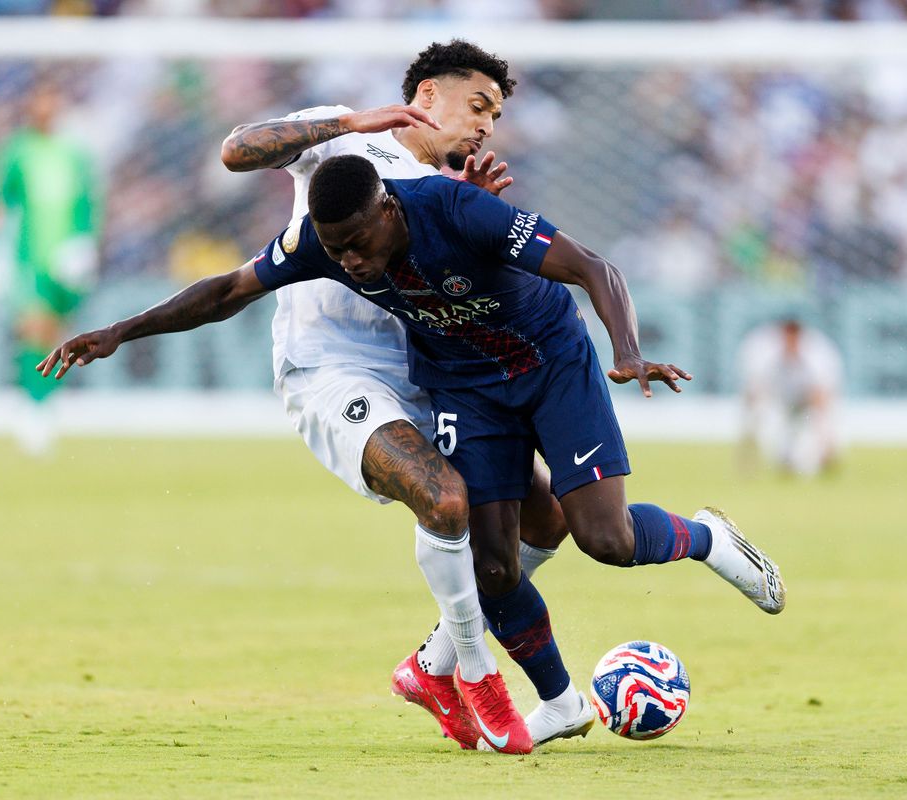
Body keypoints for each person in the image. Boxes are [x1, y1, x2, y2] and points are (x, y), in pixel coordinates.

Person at [39, 155, 787, 750]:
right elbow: (227, 290)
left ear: (390, 210)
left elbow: (598, 268)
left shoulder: (458, 210)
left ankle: (708, 537)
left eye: (361, 243)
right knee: (493, 567)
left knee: (603, 539)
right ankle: (559, 703)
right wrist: (119, 332)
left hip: (552, 363)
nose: (353, 262)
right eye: (338, 251)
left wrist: (625, 351)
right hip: (467, 388)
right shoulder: (323, 245)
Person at [219, 41, 584, 746]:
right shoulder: (343, 137)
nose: (486, 125)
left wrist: (474, 213)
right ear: (425, 96)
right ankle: (476, 669)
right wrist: (352, 123)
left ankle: (432, 664)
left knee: (545, 521)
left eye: (496, 115)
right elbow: (238, 150)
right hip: (331, 370)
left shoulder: (444, 188)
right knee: (444, 498)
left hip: (422, 373)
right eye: (477, 105)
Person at [0, 77, 99, 456]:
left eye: (53, 99)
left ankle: (46, 406)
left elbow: (88, 203)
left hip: (67, 260)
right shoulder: (17, 152)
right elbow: (0, 203)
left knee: (57, 334)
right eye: (40, 100)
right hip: (30, 259)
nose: (47, 107)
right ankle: (32, 408)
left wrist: (86, 245)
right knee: (32, 329)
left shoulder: (75, 153)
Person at [738, 317, 842, 477]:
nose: (790, 343)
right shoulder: (764, 352)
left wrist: (825, 442)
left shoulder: (818, 353)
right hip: (779, 400)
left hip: (807, 400)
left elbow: (821, 398)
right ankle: (785, 459)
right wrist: (748, 450)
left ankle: (819, 459)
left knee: (808, 459)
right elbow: (754, 394)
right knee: (782, 454)